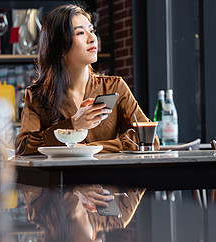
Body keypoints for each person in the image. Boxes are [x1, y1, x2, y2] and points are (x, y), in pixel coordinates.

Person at [15, 4, 159, 155]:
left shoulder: (115, 87)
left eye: (91, 31)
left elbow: (149, 139)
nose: (92, 39)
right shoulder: (36, 96)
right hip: (65, 178)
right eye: (80, 33)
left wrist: (92, 149)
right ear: (60, 45)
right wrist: (72, 124)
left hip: (108, 177)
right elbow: (23, 147)